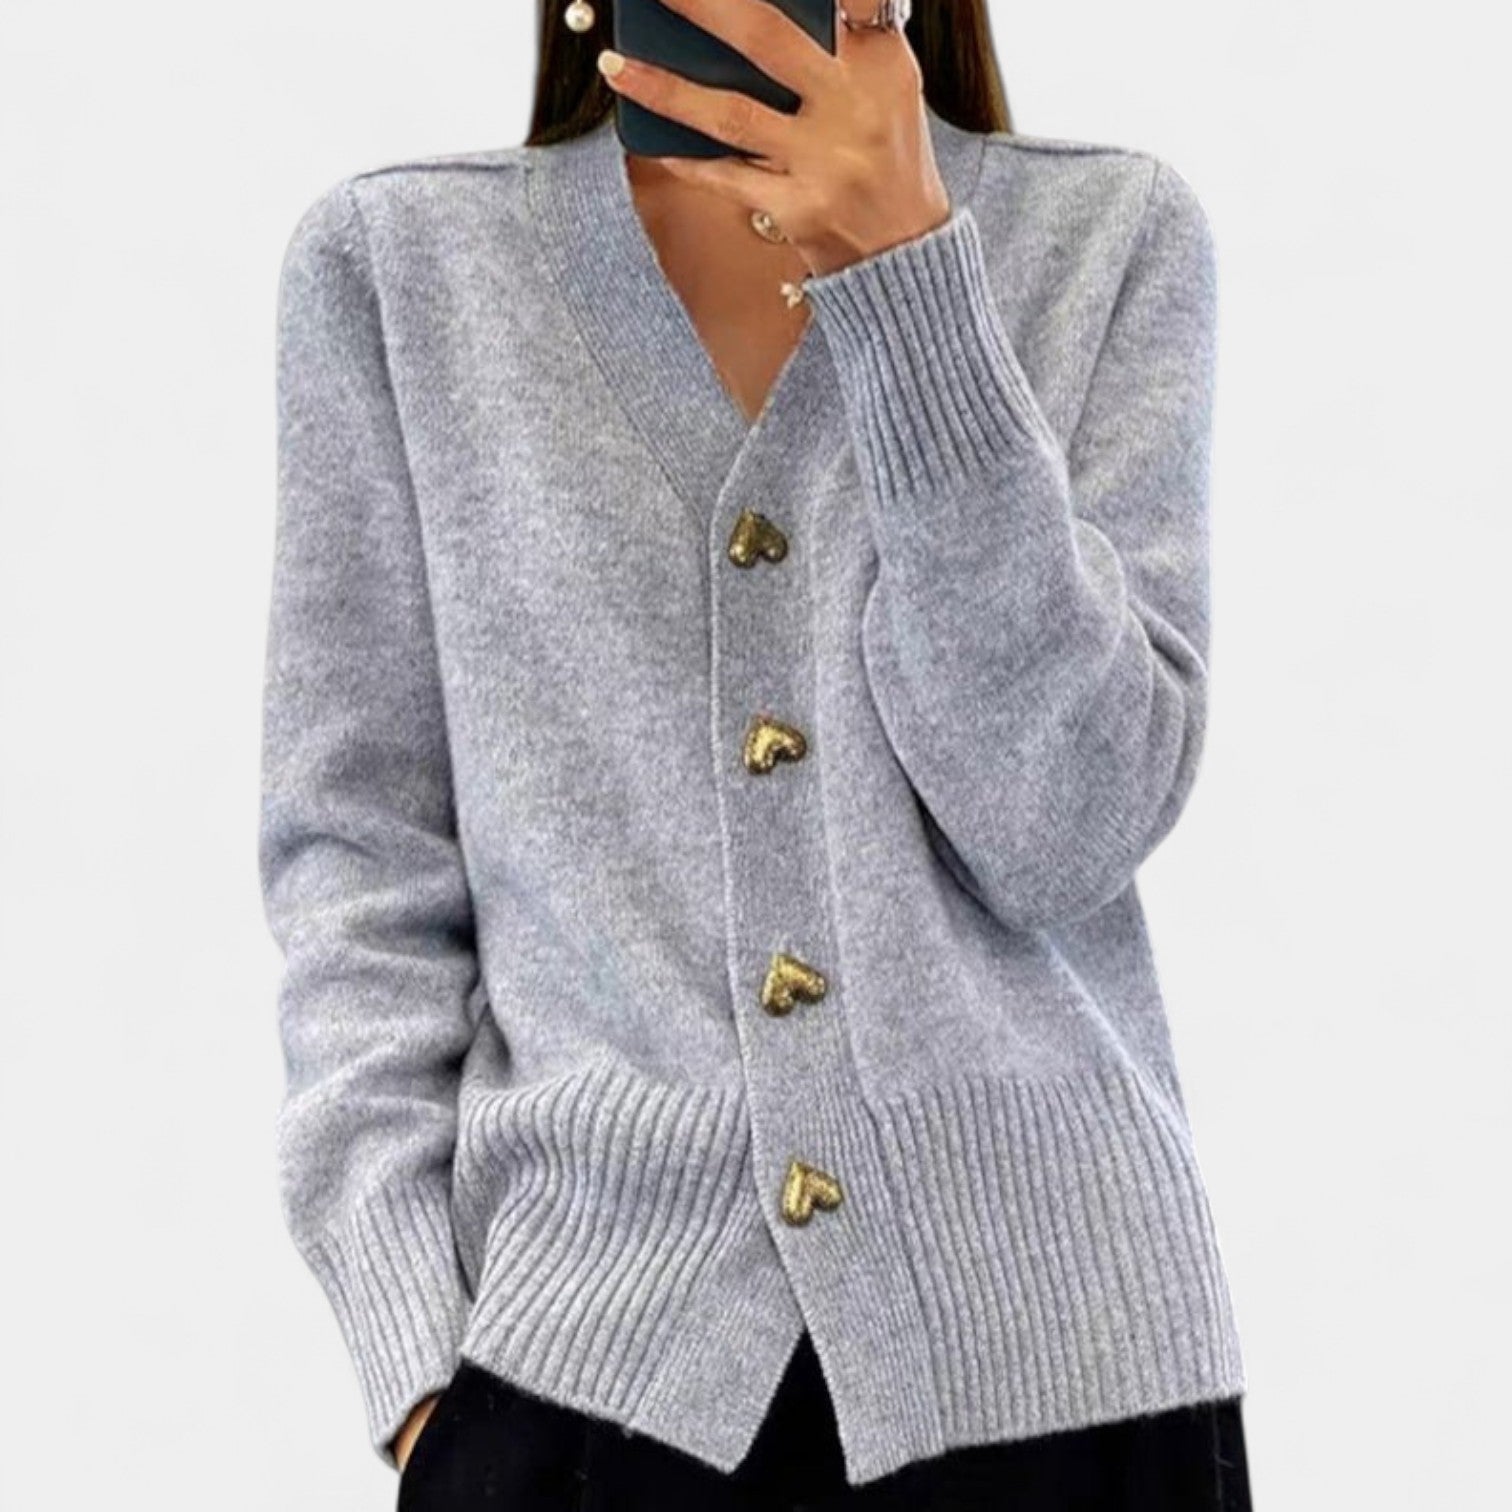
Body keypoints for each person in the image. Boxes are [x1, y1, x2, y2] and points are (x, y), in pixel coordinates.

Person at [258, 2, 1254, 1507]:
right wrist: (417, 1366)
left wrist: (913, 285)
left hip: (1068, 1395)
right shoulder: (402, 273)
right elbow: (359, 862)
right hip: (578, 1393)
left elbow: (1067, 824)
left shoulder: (1107, 240)